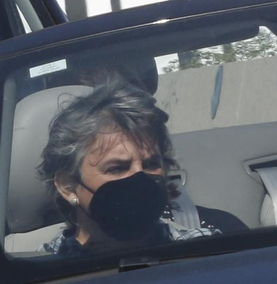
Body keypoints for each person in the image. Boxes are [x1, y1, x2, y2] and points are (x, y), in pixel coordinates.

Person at [35, 77, 245, 256]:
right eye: (117, 168)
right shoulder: (36, 275)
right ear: (68, 186)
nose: (139, 177)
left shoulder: (205, 253)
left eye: (151, 164)